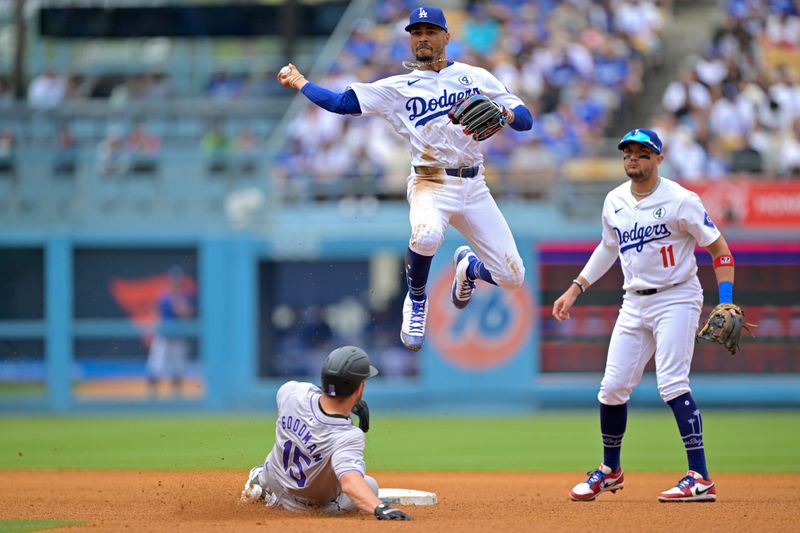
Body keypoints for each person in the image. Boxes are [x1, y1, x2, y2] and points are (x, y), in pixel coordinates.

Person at [276, 6, 533, 351]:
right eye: (416, 33)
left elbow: (526, 119)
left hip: (474, 186)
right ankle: (416, 300)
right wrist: (301, 82)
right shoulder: (398, 87)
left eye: (429, 31)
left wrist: (505, 113)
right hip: (430, 182)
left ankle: (468, 269)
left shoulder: (476, 77)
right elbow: (340, 103)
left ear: (446, 36)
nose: (422, 38)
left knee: (513, 278)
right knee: (426, 234)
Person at [552, 128, 739, 503]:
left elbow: (719, 250)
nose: (633, 159)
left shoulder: (681, 200)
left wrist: (726, 298)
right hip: (634, 301)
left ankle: (700, 477)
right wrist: (575, 288)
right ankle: (610, 471)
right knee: (611, 389)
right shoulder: (614, 200)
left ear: (659, 159)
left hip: (677, 298)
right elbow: (608, 247)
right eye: (628, 153)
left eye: (642, 153)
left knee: (672, 384)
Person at [240, 346, 411, 521]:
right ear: (359, 389)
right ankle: (280, 502)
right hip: (301, 507)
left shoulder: (291, 392)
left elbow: (318, 394)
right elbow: (350, 482)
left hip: (273, 477)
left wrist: (347, 400)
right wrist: (380, 508)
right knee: (370, 485)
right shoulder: (348, 436)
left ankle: (261, 483)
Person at [146, 265, 195, 397]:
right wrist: (151, 331)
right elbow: (155, 314)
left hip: (178, 337)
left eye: (177, 280)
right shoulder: (162, 296)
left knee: (178, 369)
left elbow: (186, 314)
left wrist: (177, 298)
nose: (175, 283)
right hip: (163, 336)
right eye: (173, 280)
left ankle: (176, 396)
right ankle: (152, 395)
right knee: (156, 366)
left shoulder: (186, 296)